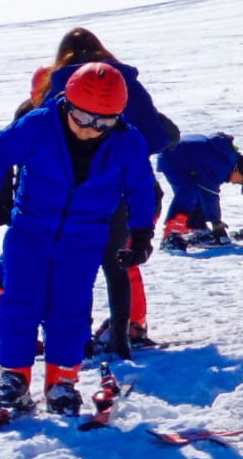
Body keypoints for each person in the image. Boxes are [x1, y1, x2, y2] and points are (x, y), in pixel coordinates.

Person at [0, 63, 157, 423]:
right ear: (67, 104)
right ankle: (13, 377)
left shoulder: (127, 141)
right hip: (30, 231)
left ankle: (62, 380)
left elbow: (140, 188)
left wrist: (141, 233)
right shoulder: (38, 125)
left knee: (70, 310)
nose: (92, 130)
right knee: (19, 304)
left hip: (84, 238)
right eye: (84, 119)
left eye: (103, 123)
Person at [40, 28, 178, 358]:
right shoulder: (125, 81)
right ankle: (122, 342)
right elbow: (157, 137)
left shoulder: (57, 87)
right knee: (118, 265)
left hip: (76, 196)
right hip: (126, 192)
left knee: (79, 267)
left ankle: (81, 342)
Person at [157, 134, 243, 245]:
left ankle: (196, 227)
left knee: (197, 191)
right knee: (189, 192)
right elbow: (209, 194)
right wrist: (216, 222)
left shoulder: (227, 160)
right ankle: (171, 233)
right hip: (174, 158)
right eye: (241, 181)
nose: (235, 183)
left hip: (183, 157)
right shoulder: (221, 166)